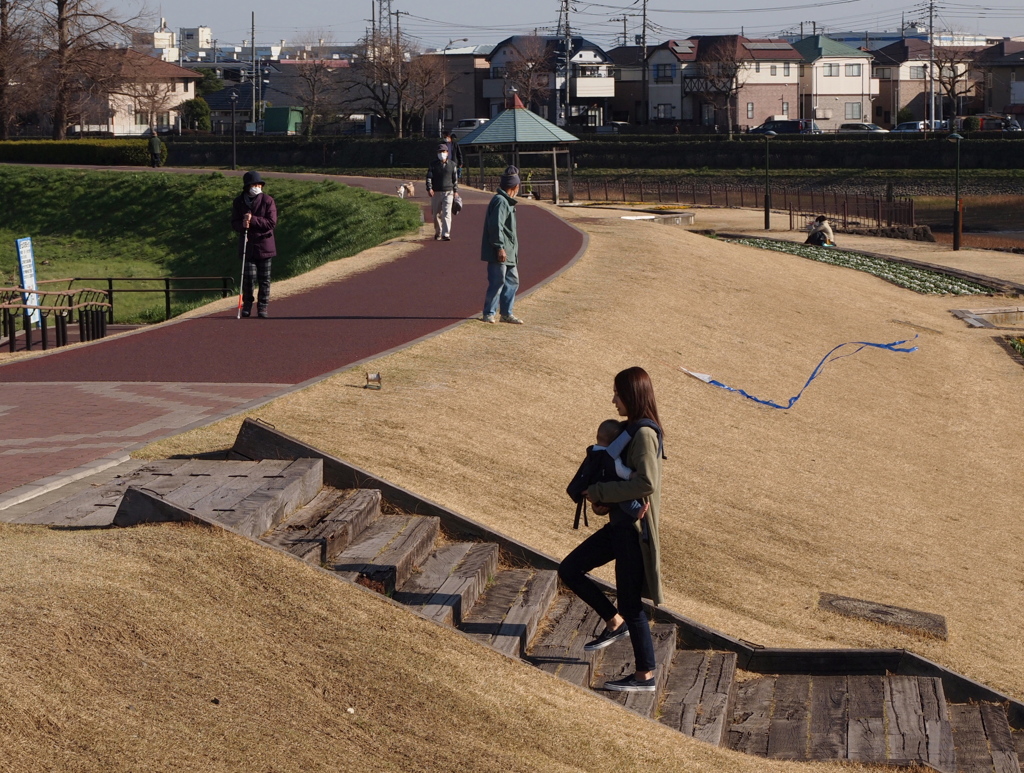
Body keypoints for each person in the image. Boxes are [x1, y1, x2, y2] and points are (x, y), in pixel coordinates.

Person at [558, 366, 665, 693]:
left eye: (618, 393)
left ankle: (645, 675)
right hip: (619, 527)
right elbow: (624, 479)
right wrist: (602, 501)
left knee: (631, 604)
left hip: (632, 533)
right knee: (570, 569)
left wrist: (601, 494)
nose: (613, 399)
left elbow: (646, 482)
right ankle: (612, 622)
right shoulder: (628, 430)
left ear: (631, 395)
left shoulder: (644, 434)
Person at [231, 171, 278, 319]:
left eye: (259, 184)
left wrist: (253, 220)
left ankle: (262, 307)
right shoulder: (238, 202)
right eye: (254, 184)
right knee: (249, 278)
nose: (257, 187)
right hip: (248, 245)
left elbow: (271, 223)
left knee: (264, 279)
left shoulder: (267, 200)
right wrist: (242, 224)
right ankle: (247, 305)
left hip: (265, 245)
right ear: (247, 186)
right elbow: (234, 223)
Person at [480, 165, 523, 324]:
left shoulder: (508, 202)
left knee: (513, 281)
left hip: (510, 251)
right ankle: (489, 313)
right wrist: (499, 247)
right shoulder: (501, 201)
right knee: (498, 281)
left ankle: (506, 313)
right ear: (515, 186)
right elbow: (495, 226)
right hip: (501, 250)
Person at [426, 143, 459, 241]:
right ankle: (438, 232)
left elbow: (455, 179)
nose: (442, 153)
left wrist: (455, 191)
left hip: (448, 192)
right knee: (436, 214)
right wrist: (429, 188)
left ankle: (446, 234)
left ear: (447, 153)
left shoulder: (452, 165)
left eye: (443, 151)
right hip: (436, 192)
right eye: (440, 152)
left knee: (447, 213)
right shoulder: (433, 165)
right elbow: (429, 177)